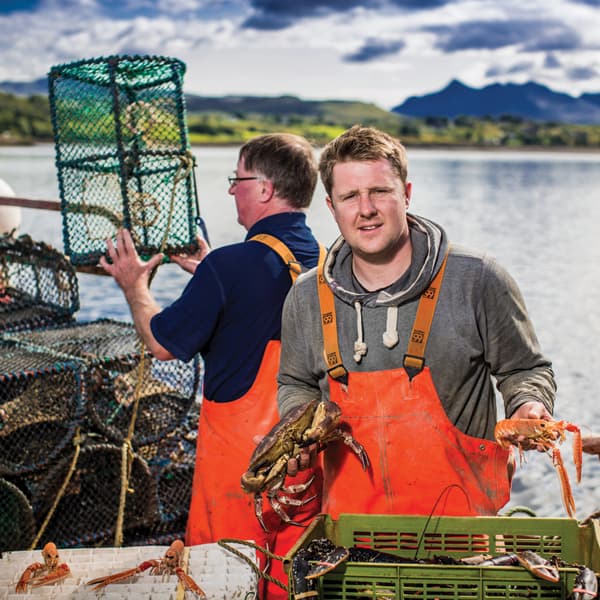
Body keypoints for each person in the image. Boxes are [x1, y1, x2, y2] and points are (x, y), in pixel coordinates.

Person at [277, 125, 556, 519]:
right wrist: (299, 428)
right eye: (350, 196)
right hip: (350, 536)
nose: (366, 209)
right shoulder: (306, 296)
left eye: (380, 191)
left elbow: (525, 369)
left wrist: (528, 404)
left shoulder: (478, 278)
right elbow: (295, 381)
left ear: (406, 194)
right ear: (331, 207)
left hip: (466, 536)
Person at [100, 133, 323, 599]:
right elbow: (258, 297)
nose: (230, 190)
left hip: (239, 470)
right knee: (289, 578)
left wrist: (133, 285)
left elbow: (161, 342)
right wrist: (209, 272)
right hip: (304, 465)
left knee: (225, 578)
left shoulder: (228, 267)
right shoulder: (326, 259)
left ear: (264, 188)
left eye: (237, 179)